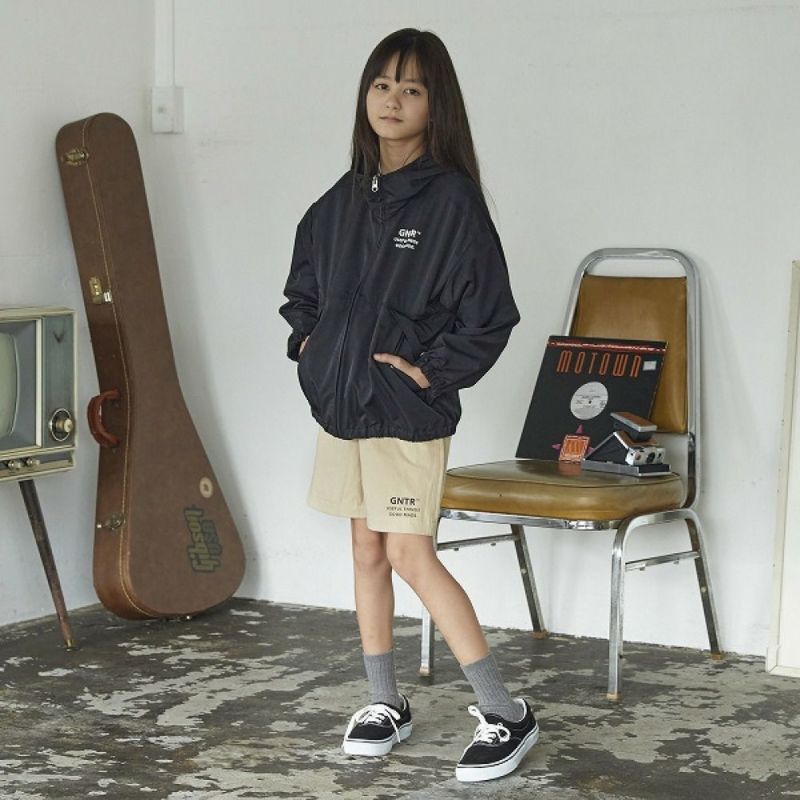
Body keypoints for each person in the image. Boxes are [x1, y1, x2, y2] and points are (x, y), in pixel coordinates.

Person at [278, 28, 537, 783]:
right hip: (341, 407)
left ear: (435, 105)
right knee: (365, 550)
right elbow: (303, 291)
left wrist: (430, 373)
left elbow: (490, 313)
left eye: (412, 89)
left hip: (404, 412)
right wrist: (310, 345)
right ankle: (384, 701)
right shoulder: (340, 201)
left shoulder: (452, 201)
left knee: (407, 553)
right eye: (382, 84)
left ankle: (506, 713)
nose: (393, 100)